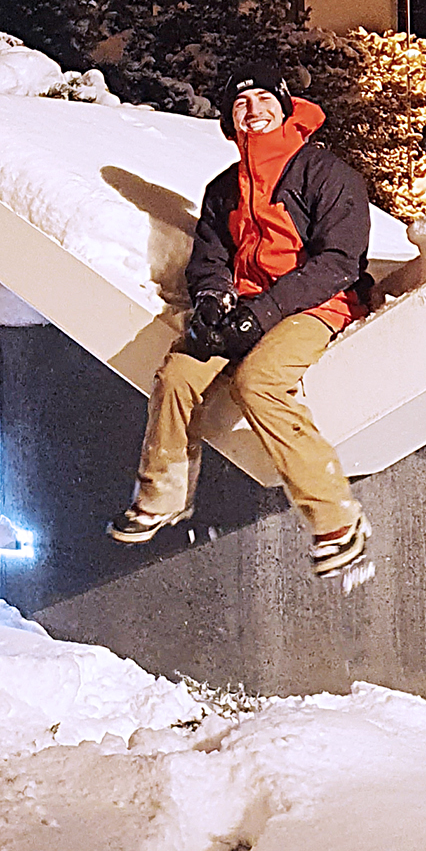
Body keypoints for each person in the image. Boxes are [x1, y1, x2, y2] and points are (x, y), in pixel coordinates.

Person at [106, 59, 373, 584]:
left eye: (264, 101)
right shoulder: (224, 188)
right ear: (231, 122)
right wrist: (211, 299)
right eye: (240, 106)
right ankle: (163, 496)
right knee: (179, 372)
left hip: (315, 304)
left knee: (258, 384)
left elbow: (340, 261)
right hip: (245, 306)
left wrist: (266, 312)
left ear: (284, 107)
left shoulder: (325, 174)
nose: (253, 112)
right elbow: (210, 257)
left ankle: (337, 520)